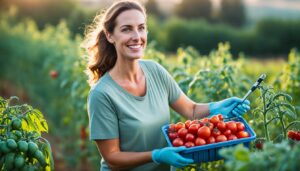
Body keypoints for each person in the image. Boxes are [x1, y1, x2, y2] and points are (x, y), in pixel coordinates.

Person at [82, 0, 250, 171]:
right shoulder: (102, 94)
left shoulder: (155, 71)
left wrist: (216, 106)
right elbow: (112, 158)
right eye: (126, 29)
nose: (136, 36)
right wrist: (155, 155)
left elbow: (190, 110)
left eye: (141, 28)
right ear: (110, 35)